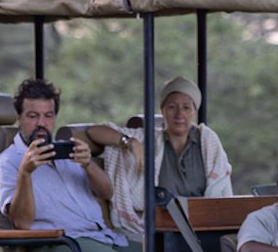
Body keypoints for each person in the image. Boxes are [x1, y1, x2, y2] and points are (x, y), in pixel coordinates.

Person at [0, 77, 140, 252]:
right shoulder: (9, 161)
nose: (41, 123)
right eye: (33, 116)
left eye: (48, 115)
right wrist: (25, 173)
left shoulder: (66, 152)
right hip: (56, 244)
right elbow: (21, 222)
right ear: (19, 118)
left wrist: (89, 164)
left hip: (100, 237)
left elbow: (107, 193)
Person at [85, 76, 233, 240]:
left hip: (202, 224)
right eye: (172, 107)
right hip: (161, 227)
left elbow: (219, 188)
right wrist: (130, 142)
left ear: (194, 111)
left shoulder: (207, 141)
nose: (179, 115)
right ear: (162, 110)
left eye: (186, 108)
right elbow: (95, 132)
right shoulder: (149, 140)